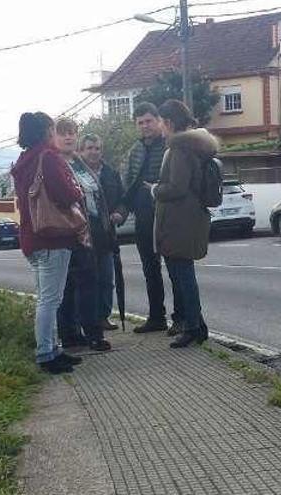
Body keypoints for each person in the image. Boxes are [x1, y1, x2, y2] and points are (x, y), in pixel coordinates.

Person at [11, 112, 84, 374]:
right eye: (53, 129)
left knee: (46, 297)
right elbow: (65, 194)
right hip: (53, 236)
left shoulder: (23, 160)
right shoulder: (48, 157)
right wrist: (78, 192)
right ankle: (46, 353)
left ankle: (53, 348)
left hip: (32, 237)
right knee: (50, 300)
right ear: (46, 132)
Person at [148, 99, 218, 348]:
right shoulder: (197, 145)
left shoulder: (179, 148)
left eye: (159, 122)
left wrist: (156, 189)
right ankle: (197, 325)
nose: (159, 128)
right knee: (184, 275)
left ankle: (193, 327)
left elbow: (177, 187)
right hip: (190, 218)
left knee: (182, 277)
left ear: (167, 122)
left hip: (179, 221)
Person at [120, 102, 184, 336]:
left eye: (149, 120)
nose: (145, 126)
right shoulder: (135, 149)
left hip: (167, 215)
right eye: (140, 122)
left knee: (175, 268)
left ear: (159, 120)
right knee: (150, 268)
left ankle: (181, 318)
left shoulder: (170, 145)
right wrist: (122, 210)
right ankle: (157, 316)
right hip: (143, 218)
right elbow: (129, 183)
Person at [54, 118, 111, 352]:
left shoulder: (79, 162)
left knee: (90, 283)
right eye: (63, 133)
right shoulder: (54, 163)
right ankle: (71, 334)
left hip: (92, 228)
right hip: (68, 231)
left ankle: (91, 332)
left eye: (72, 133)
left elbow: (97, 194)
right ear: (54, 137)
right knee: (68, 286)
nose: (68, 137)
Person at [79, 133, 124, 331]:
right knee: (86, 279)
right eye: (89, 148)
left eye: (97, 148)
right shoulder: (75, 173)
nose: (93, 152)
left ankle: (103, 317)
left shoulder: (111, 173)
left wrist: (119, 213)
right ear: (81, 150)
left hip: (106, 233)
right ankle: (85, 321)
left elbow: (123, 199)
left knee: (106, 278)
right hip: (83, 234)